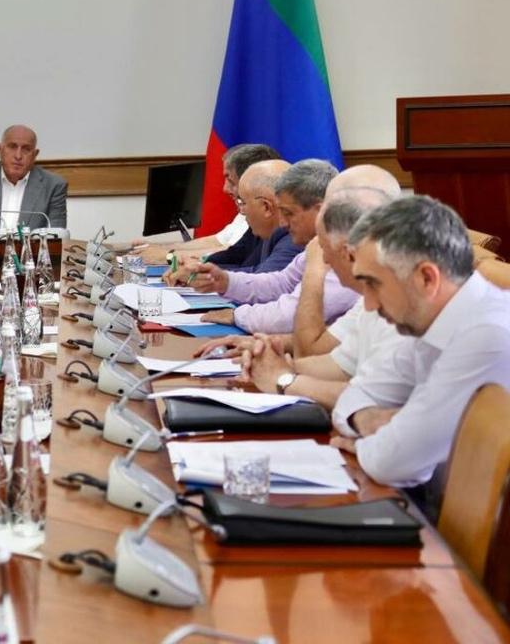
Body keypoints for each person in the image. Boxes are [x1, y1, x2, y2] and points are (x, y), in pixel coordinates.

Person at [331, 196, 510, 501]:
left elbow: (391, 463)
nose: (369, 305)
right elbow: (354, 396)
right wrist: (367, 418)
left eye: (374, 284)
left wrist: (370, 441)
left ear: (427, 278)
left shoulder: (486, 334)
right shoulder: (427, 318)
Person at [239, 187, 403, 409]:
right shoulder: (373, 297)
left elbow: (376, 399)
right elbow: (337, 366)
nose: (324, 258)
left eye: (324, 248)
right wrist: (270, 364)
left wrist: (284, 380)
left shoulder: (403, 304)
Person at [191, 159, 355, 334]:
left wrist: (238, 315)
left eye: (289, 213)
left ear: (320, 210)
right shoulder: (319, 244)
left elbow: (291, 316)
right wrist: (226, 282)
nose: (282, 223)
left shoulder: (348, 251)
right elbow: (282, 283)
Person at [136, 143, 281, 259]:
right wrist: (160, 249)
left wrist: (167, 256)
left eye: (230, 180)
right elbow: (218, 241)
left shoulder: (272, 221)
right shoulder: (247, 211)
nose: (225, 188)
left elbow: (229, 253)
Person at [166, 159, 299, 284]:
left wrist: (201, 275)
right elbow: (235, 255)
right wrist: (197, 267)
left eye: (243, 202)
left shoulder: (295, 235)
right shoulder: (264, 227)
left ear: (266, 207)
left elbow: (263, 279)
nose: (241, 211)